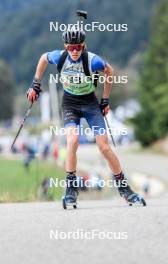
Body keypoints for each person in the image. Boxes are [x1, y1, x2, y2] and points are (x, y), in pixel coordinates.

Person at [27, 27, 142, 206]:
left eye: (78, 47)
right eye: (71, 47)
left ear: (83, 46)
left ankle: (123, 186)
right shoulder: (60, 56)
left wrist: (105, 99)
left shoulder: (93, 60)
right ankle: (71, 188)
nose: (74, 51)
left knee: (104, 147)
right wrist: (35, 84)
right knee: (72, 141)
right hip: (70, 103)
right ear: (65, 46)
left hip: (90, 104)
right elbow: (43, 58)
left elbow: (109, 71)